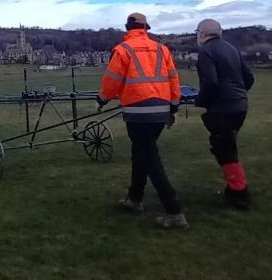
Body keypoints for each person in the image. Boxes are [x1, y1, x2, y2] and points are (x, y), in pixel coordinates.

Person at [97, 12, 188, 229]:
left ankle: (174, 211)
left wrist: (101, 100)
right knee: (141, 153)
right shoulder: (161, 49)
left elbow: (112, 81)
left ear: (128, 28)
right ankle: (135, 199)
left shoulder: (122, 50)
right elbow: (173, 78)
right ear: (146, 28)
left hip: (138, 112)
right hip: (160, 110)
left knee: (149, 157)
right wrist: (173, 107)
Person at [194, 18, 254, 209]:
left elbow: (210, 82)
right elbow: (249, 77)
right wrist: (239, 94)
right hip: (240, 106)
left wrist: (201, 100)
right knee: (226, 145)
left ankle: (239, 193)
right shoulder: (231, 48)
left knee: (224, 149)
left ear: (203, 34)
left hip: (223, 107)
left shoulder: (206, 51)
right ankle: (234, 188)